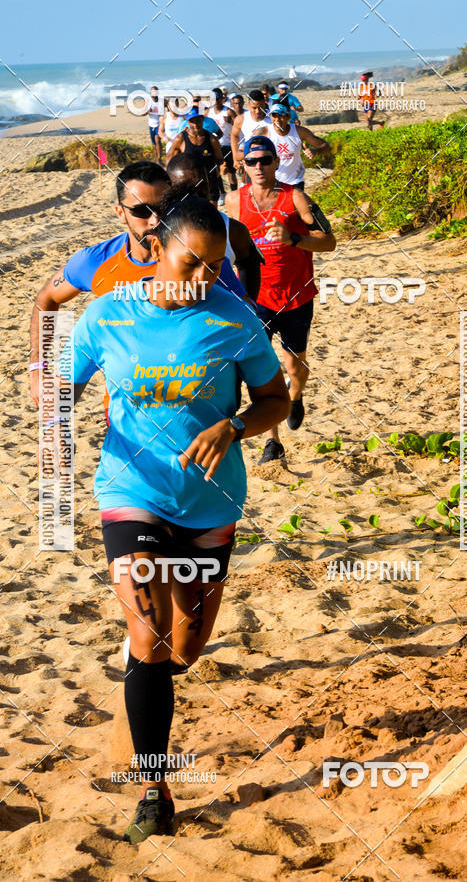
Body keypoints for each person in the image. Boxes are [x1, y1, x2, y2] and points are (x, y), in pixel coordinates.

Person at [56, 196, 290, 843]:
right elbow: (62, 385)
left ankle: (143, 669)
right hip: (132, 490)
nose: (203, 279)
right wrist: (55, 401)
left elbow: (275, 399)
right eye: (193, 262)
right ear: (158, 248)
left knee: (184, 644)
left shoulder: (235, 319)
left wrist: (235, 423)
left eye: (216, 267)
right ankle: (152, 789)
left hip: (211, 503)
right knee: (149, 628)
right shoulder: (106, 315)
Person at [225, 136, 336, 464]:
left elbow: (328, 241)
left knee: (294, 364)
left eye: (265, 160)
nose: (258, 166)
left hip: (296, 295)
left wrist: (293, 239)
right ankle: (272, 442)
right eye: (251, 161)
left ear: (276, 162)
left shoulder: (296, 197)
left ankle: (296, 396)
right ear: (242, 165)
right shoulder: (233, 201)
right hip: (253, 299)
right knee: (260, 369)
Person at [29, 161, 170, 409]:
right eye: (141, 211)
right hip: (123, 418)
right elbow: (47, 299)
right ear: (120, 212)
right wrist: (39, 368)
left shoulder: (199, 258)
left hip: (198, 419)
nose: (155, 220)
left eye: (164, 208)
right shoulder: (95, 262)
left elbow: (243, 315)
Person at [166, 153, 262, 301]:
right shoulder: (158, 227)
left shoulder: (232, 230)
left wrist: (246, 308)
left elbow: (250, 265)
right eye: (183, 190)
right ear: (169, 187)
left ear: (210, 183)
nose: (193, 196)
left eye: (200, 187)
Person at [166, 108, 225, 205]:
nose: (195, 124)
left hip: (209, 180)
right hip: (189, 183)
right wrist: (170, 179)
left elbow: (220, 159)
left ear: (202, 119)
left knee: (212, 212)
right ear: (187, 121)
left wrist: (219, 168)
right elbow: (170, 159)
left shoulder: (212, 139)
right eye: (192, 121)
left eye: (198, 120)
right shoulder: (180, 139)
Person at [268, 103, 330, 190]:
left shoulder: (299, 131)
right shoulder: (265, 133)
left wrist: (316, 151)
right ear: (270, 117)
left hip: (295, 182)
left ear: (288, 117)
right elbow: (248, 152)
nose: (277, 120)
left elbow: (326, 147)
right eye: (274, 116)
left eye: (281, 116)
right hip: (274, 182)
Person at [230, 89, 272, 172]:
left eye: (260, 107)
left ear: (264, 103)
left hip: (269, 161)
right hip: (251, 162)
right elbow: (234, 136)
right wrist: (235, 158)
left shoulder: (272, 118)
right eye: (254, 108)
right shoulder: (241, 119)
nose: (257, 111)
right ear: (249, 104)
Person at [206, 87, 238, 193]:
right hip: (214, 145)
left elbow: (240, 127)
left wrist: (231, 122)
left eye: (217, 99)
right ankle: (222, 193)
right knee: (216, 171)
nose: (215, 102)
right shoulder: (208, 113)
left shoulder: (228, 112)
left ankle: (234, 193)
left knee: (230, 171)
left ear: (221, 99)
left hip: (227, 144)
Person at [158, 99, 183, 166]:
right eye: (172, 104)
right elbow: (160, 131)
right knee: (170, 166)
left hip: (181, 146)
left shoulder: (183, 116)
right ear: (168, 106)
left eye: (176, 103)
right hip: (170, 146)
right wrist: (164, 137)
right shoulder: (164, 116)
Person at [146, 86, 162, 161]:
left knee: (157, 140)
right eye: (152, 92)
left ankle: (159, 159)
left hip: (159, 124)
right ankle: (157, 158)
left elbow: (170, 105)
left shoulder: (161, 100)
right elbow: (143, 113)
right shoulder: (148, 102)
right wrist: (147, 111)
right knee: (154, 143)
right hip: (151, 124)